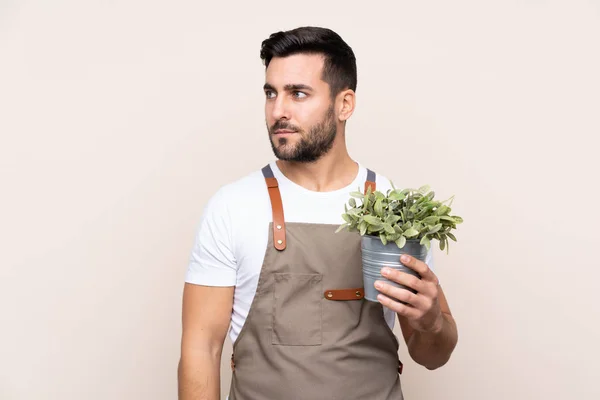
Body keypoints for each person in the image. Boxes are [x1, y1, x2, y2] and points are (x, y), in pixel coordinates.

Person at [177, 26, 458, 400]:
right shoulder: (232, 206)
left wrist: (431, 322)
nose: (279, 111)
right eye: (270, 93)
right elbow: (201, 349)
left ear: (344, 104)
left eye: (298, 94)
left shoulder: (393, 206)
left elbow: (432, 355)